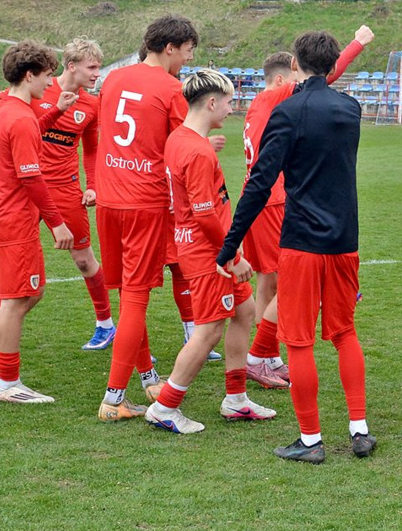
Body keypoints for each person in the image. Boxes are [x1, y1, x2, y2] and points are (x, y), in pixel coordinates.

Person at [218, 30, 374, 464]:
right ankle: (359, 430)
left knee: (300, 342)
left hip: (303, 239)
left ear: (295, 65)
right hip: (345, 239)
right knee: (345, 333)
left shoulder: (287, 111)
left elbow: (259, 183)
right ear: (332, 63)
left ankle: (310, 440)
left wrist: (231, 243)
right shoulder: (351, 108)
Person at [0, 37, 116, 357]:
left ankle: (106, 325)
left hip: (65, 189)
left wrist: (93, 185)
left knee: (84, 260)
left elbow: (92, 149)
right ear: (72, 66)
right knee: (5, 268)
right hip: (28, 190)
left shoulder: (90, 105)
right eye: (93, 67)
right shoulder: (35, 89)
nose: (98, 73)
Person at [141, 69, 274, 434]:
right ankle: (165, 407)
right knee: (209, 330)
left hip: (202, 246)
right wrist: (232, 256)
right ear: (212, 102)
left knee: (244, 311)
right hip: (207, 253)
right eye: (229, 102)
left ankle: (236, 398)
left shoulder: (180, 138)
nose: (232, 109)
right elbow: (204, 214)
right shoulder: (197, 150)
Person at [241, 28, 372, 390]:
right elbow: (326, 75)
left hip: (264, 202)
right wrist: (357, 43)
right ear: (283, 78)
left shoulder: (258, 103)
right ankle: (259, 355)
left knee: (270, 282)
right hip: (275, 201)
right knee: (289, 284)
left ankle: (266, 356)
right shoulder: (280, 97)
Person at [94, 15, 196, 421]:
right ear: (170, 47)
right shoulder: (172, 89)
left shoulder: (114, 78)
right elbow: (182, 149)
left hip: (109, 199)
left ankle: (147, 376)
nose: (188, 59)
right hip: (145, 203)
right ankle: (113, 399)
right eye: (187, 51)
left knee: (126, 296)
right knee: (136, 299)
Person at [0, 41, 74, 402]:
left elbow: (25, 134)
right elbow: (31, 177)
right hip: (14, 218)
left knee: (32, 292)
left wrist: (55, 113)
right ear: (29, 75)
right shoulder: (20, 117)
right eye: (46, 75)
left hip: (1, 212)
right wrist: (57, 222)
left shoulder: (2, 108)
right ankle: (8, 382)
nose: (50, 82)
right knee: (15, 300)